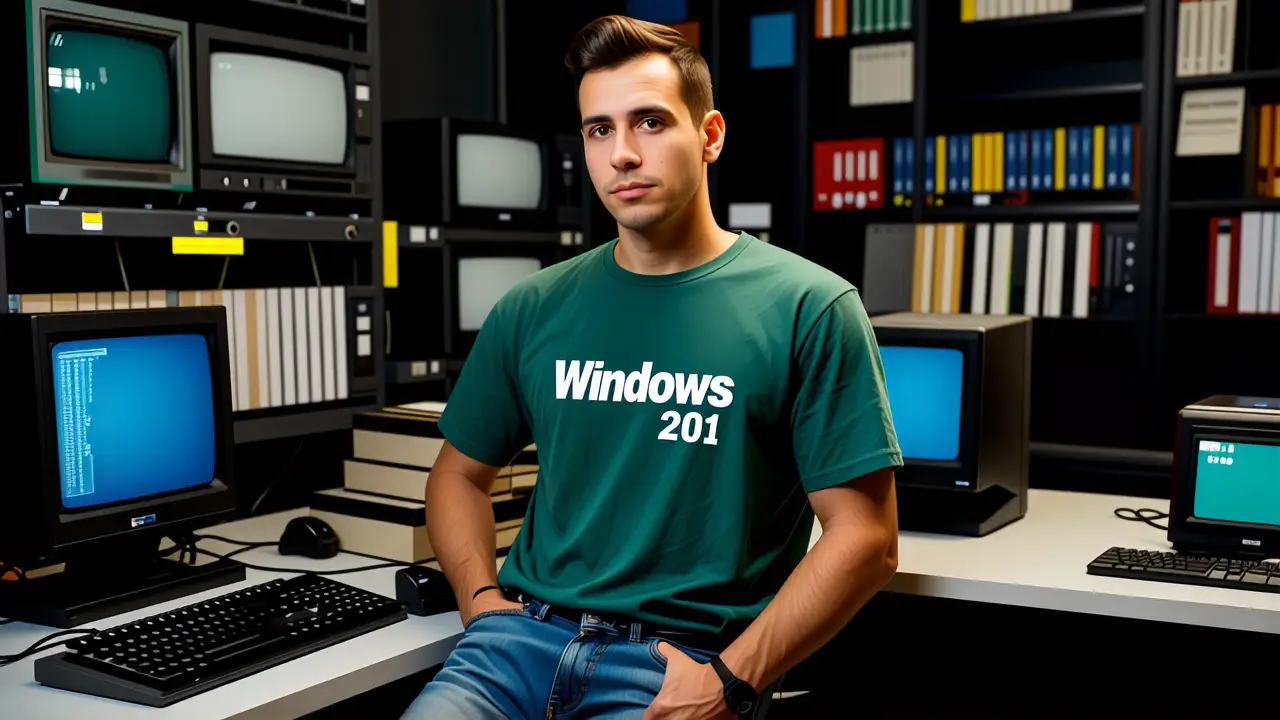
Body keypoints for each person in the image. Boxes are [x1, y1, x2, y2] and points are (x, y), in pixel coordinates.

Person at [402, 14, 901, 720]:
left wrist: (731, 680)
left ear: (710, 135)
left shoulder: (810, 307)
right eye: (599, 130)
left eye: (650, 122)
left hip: (677, 669)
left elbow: (867, 539)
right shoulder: (533, 307)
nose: (623, 155)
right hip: (514, 650)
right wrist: (480, 598)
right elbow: (456, 474)